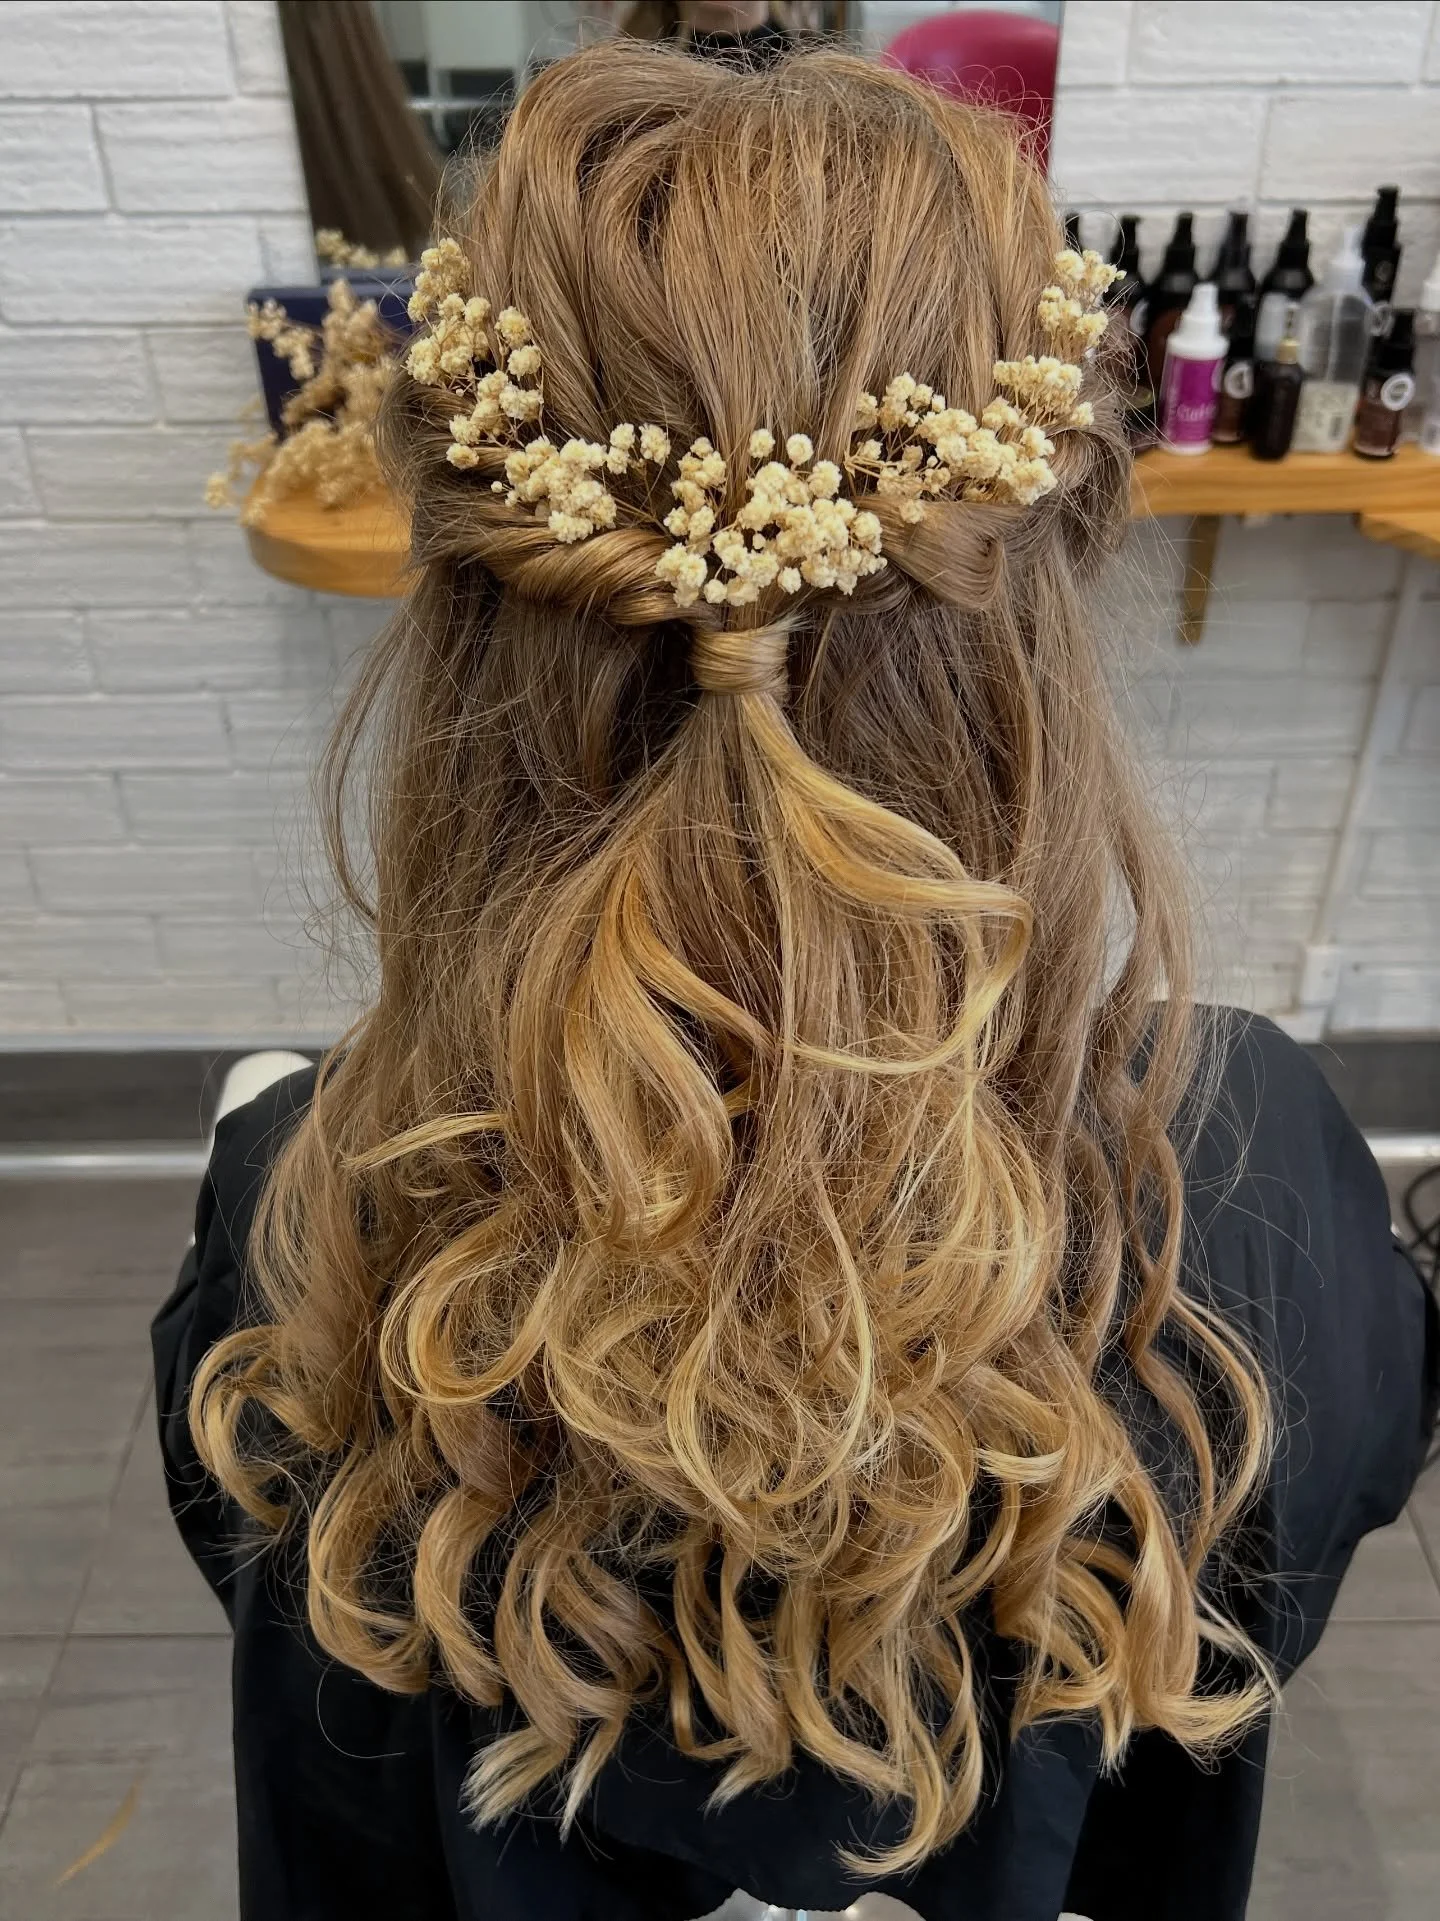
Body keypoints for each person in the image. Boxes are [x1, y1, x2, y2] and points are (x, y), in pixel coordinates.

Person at [153, 43, 1436, 1921]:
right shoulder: (1243, 1191)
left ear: (464, 590)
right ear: (1050, 563)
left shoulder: (315, 1221)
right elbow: (1359, 1449)